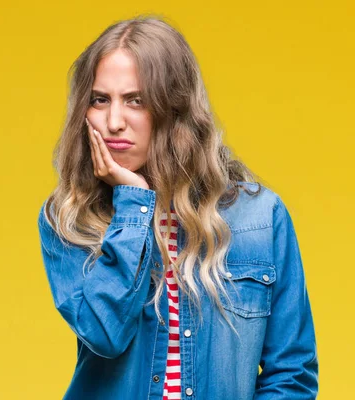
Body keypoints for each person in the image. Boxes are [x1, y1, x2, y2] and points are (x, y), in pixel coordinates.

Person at [36, 14, 318, 400]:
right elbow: (104, 332)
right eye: (100, 100)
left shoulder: (260, 218)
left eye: (136, 100)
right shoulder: (69, 218)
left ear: (175, 107)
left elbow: (292, 375)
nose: (114, 121)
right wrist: (133, 205)